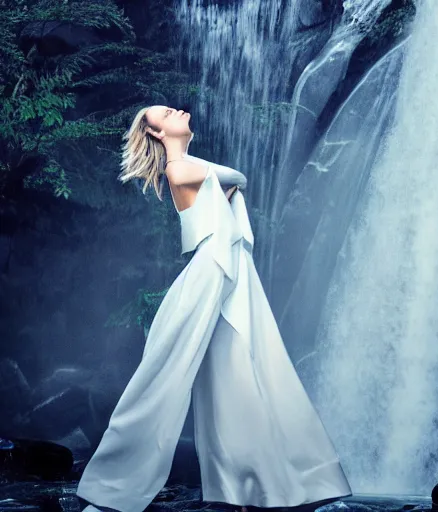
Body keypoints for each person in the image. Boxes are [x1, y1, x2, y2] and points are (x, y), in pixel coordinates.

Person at [75, 105, 352, 512]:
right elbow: (238, 177)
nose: (178, 110)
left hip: (230, 271)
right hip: (212, 270)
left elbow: (229, 185)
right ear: (156, 134)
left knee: (240, 372)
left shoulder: (190, 167)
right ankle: (109, 491)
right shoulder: (179, 169)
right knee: (165, 371)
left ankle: (244, 487)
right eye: (167, 114)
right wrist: (221, 183)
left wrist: (220, 186)